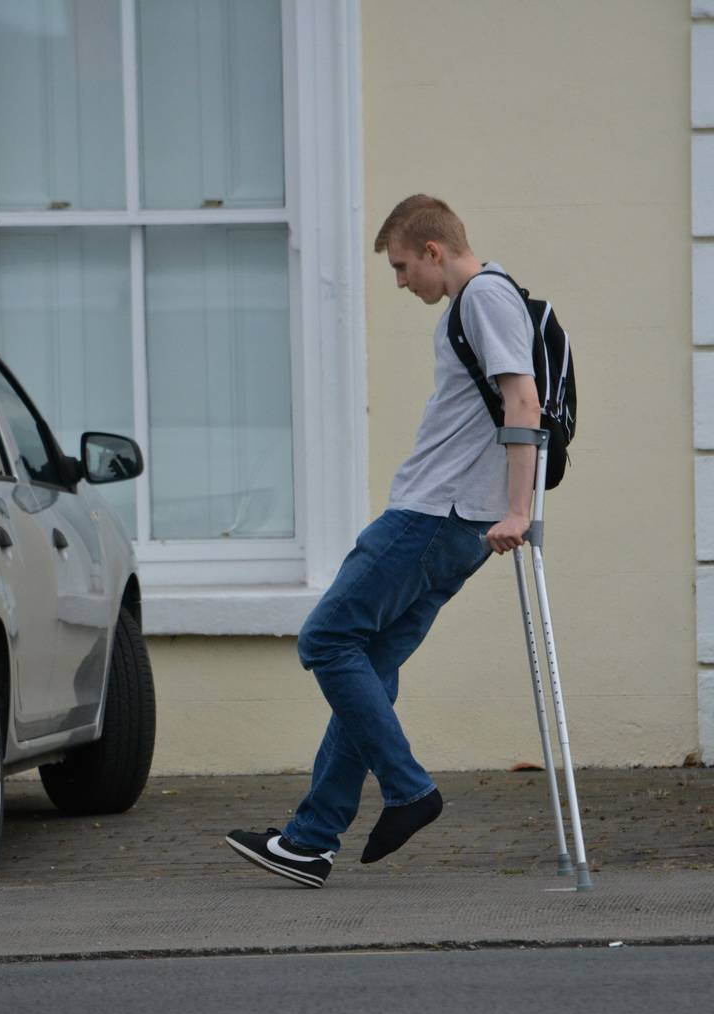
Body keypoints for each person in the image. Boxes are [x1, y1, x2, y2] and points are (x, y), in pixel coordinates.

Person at [226, 194, 541, 888]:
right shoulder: (482, 300)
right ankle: (310, 842)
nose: (400, 282)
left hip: (432, 517)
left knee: (325, 640)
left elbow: (524, 401)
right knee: (369, 665)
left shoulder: (483, 297)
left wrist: (518, 511)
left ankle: (408, 788)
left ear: (433, 250)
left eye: (402, 267)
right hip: (456, 523)